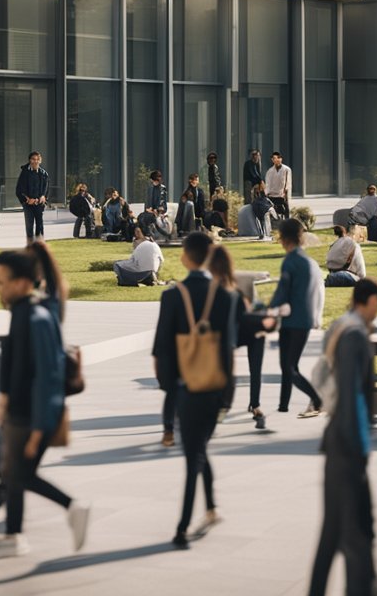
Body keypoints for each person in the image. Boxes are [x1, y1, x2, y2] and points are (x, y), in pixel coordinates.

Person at [0, 242, 89, 554]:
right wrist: (4, 399)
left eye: (1, 282)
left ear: (23, 282)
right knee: (14, 474)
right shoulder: (26, 312)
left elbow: (46, 375)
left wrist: (38, 428)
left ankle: (72, 508)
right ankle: (13, 535)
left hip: (31, 414)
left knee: (19, 474)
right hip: (21, 410)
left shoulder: (35, 317)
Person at [152, 232, 236, 549]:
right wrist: (227, 398)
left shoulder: (173, 296)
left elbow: (161, 351)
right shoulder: (225, 296)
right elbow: (228, 351)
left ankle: (182, 527)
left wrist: (170, 390)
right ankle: (212, 509)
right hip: (215, 389)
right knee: (199, 448)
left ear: (187, 256)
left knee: (192, 456)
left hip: (186, 389)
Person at [308, 277, 377, 596]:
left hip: (337, 440)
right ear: (367, 301)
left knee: (337, 529)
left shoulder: (341, 326)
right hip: (347, 444)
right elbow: (354, 394)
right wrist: (360, 444)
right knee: (355, 526)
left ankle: (361, 582)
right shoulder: (355, 335)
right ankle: (362, 586)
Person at [209, 245, 278, 429]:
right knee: (257, 334)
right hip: (230, 332)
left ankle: (253, 404)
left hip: (234, 332)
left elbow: (243, 313)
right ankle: (254, 404)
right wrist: (264, 319)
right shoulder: (226, 291)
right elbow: (241, 315)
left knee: (257, 334)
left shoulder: (222, 288)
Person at [268, 218, 326, 417]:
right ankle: (283, 404)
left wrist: (268, 309)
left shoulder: (290, 262)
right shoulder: (308, 261)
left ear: (285, 238)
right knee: (289, 363)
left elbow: (282, 292)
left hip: (292, 320)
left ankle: (317, 398)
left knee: (288, 366)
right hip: (305, 319)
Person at [15, 152, 49, 244]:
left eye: (37, 159)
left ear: (40, 161)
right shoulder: (24, 173)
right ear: (30, 160)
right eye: (33, 159)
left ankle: (40, 248)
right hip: (28, 204)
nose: (35, 161)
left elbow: (46, 190)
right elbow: (18, 190)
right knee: (29, 227)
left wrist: (43, 197)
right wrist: (27, 200)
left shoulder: (44, 174)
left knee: (40, 226)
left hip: (39, 204)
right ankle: (30, 249)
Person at [265, 152, 292, 219]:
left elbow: (288, 182)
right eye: (274, 158)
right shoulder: (270, 171)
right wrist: (267, 193)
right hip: (272, 194)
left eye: (277, 158)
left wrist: (285, 192)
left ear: (281, 159)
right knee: (271, 209)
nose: (275, 160)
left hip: (282, 194)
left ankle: (287, 221)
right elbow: (268, 183)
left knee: (286, 208)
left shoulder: (286, 169)